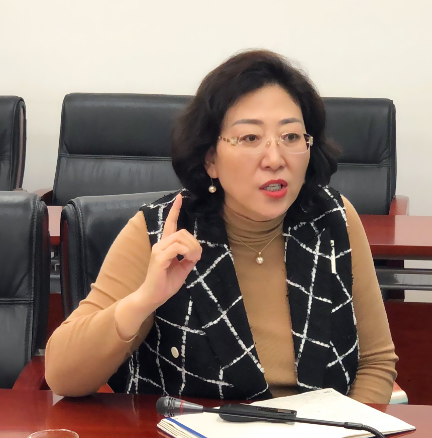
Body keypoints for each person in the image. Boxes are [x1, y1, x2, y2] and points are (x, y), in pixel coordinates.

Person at [45, 50, 398, 403]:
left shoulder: (333, 219)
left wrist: (351, 431)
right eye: (250, 138)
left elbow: (375, 362)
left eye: (291, 137)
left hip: (322, 435)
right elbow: (62, 376)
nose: (275, 159)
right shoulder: (161, 232)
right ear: (210, 159)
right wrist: (143, 300)